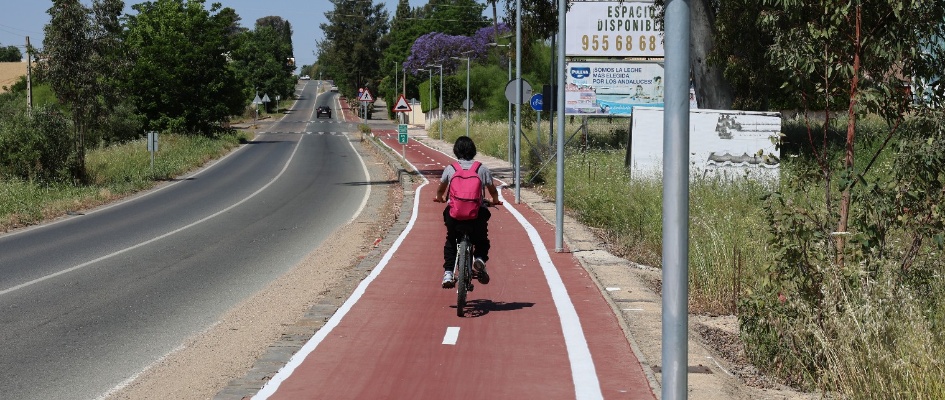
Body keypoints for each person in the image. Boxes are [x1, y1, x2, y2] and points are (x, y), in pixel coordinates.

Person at [434, 136, 502, 289]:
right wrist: (495, 201)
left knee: (451, 240)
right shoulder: (482, 169)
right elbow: (492, 191)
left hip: (454, 215)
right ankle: (479, 258)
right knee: (482, 240)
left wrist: (440, 198)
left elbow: (440, 190)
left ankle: (449, 273)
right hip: (476, 214)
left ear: (456, 151)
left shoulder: (451, 169)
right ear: (473, 151)